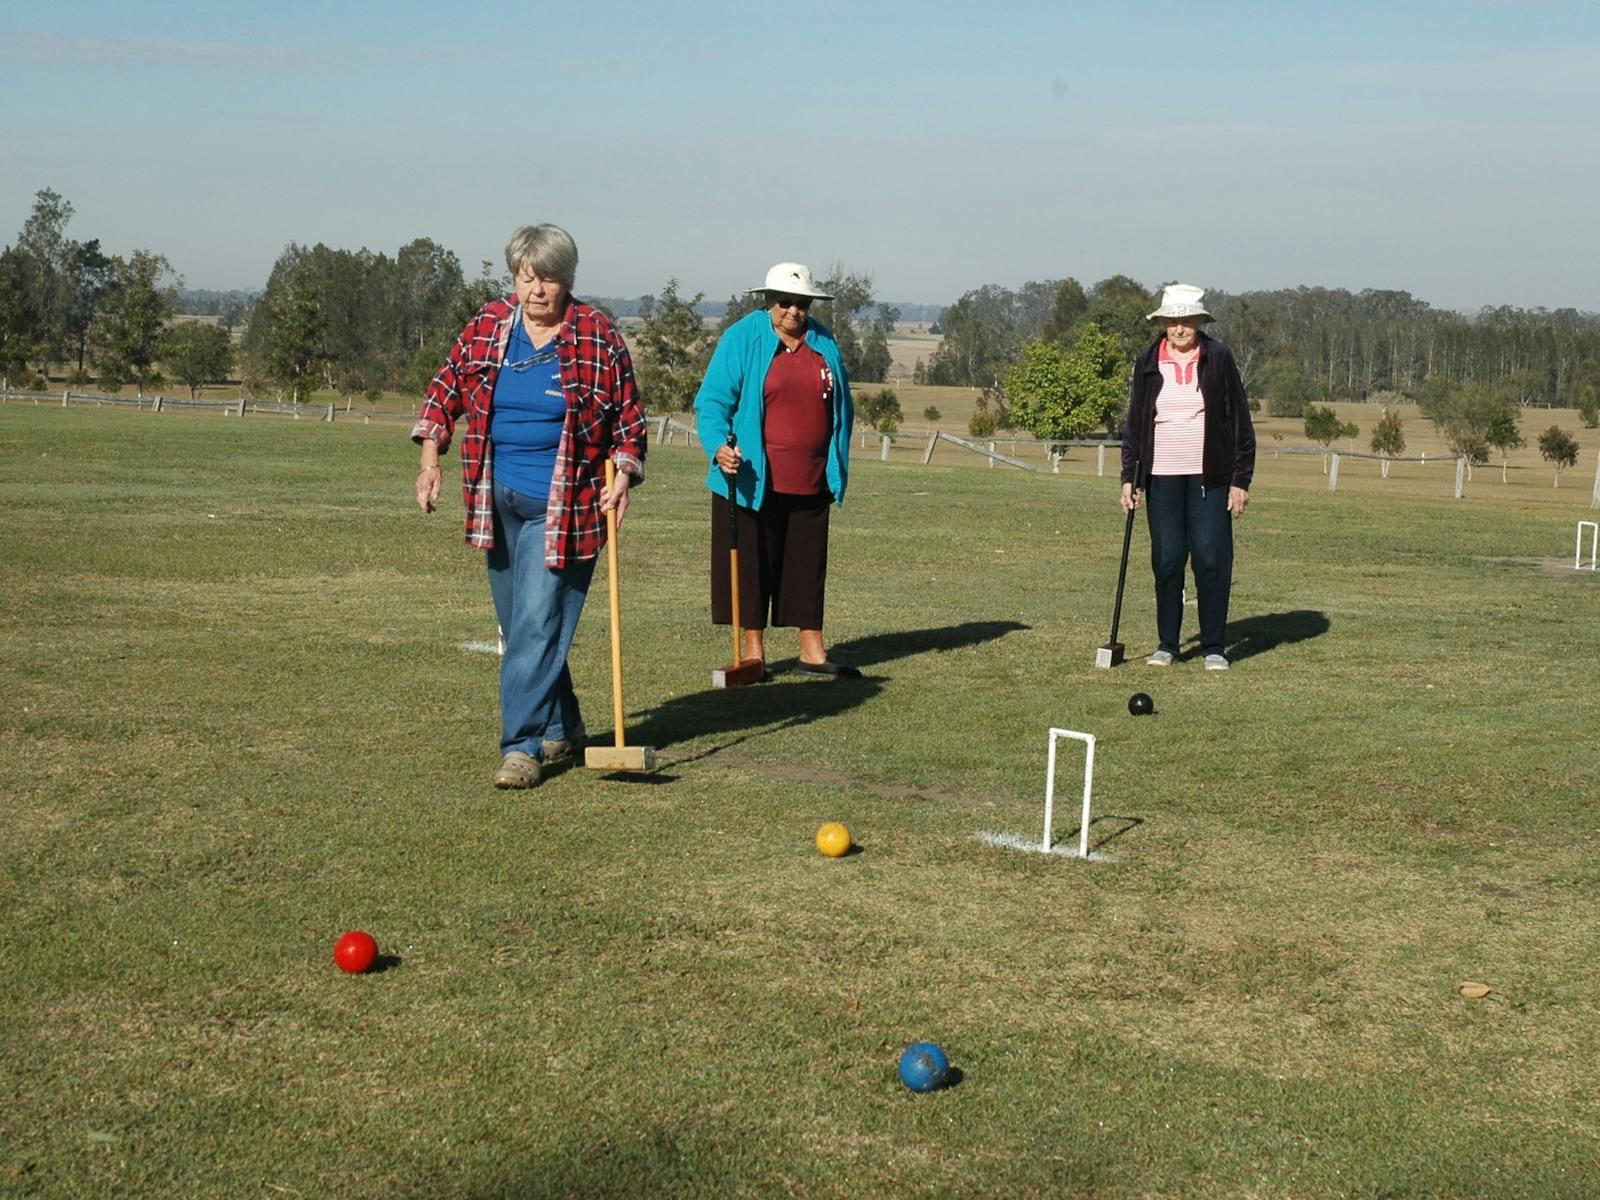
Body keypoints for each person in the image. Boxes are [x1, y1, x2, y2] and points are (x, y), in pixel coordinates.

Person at [412, 224, 647, 788]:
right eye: (526, 277)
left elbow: (630, 423)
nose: (536, 289)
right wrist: (429, 459)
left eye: (548, 279)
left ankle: (523, 748)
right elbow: (445, 390)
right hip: (496, 500)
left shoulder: (597, 335)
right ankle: (565, 725)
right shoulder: (488, 325)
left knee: (537, 626)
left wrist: (625, 474)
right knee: (523, 628)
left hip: (565, 506)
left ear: (566, 281)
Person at [694, 262, 857, 678]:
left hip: (812, 475)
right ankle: (753, 653)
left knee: (807, 564)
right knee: (753, 564)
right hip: (752, 479)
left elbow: (840, 404)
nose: (794, 311)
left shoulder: (824, 341)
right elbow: (712, 402)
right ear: (768, 301)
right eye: (785, 302)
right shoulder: (742, 338)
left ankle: (812, 651)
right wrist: (718, 448)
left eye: (802, 303)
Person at [1119, 283, 1255, 670]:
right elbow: (1134, 425)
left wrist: (1240, 480)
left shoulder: (1219, 358)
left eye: (1186, 321)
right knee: (1167, 561)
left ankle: (1214, 646)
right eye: (1172, 321)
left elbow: (1241, 423)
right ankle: (1168, 644)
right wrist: (1130, 477)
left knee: (1211, 560)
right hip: (1160, 477)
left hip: (1209, 477)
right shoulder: (1147, 362)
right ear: (1162, 323)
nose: (1179, 329)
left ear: (1199, 322)